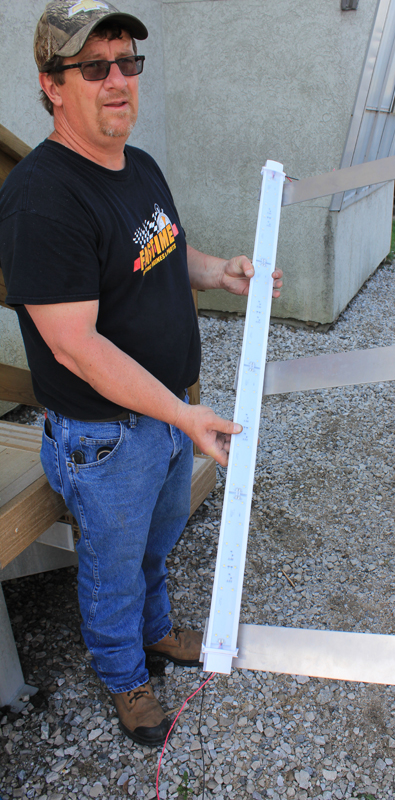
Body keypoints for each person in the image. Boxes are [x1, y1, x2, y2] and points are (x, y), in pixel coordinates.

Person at [0, 0, 282, 747]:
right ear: (52, 85)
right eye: (95, 67)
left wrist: (220, 271)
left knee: (155, 546)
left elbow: (160, 254)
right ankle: (125, 678)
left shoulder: (140, 164)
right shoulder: (42, 199)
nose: (118, 80)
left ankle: (155, 634)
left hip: (159, 419)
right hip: (106, 437)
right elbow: (75, 347)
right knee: (113, 566)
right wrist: (184, 414)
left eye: (128, 62)